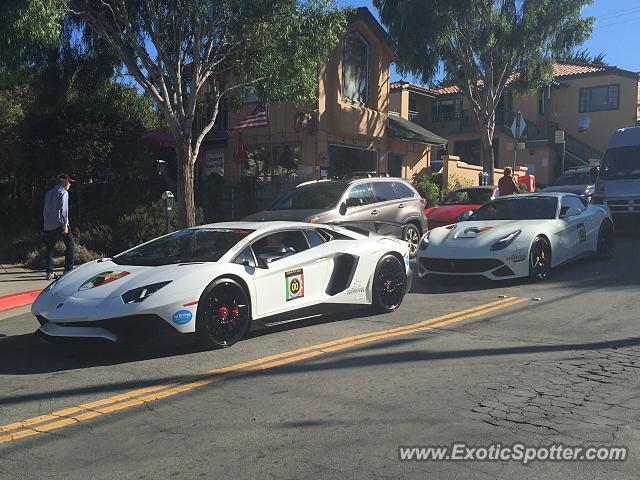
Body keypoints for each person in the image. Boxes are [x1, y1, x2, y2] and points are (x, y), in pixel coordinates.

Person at [43, 173, 76, 280]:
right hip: (60, 223)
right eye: (70, 182)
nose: (70, 185)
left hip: (49, 224)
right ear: (64, 183)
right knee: (70, 245)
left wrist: (46, 223)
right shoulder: (63, 193)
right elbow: (64, 210)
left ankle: (49, 272)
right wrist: (65, 225)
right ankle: (68, 269)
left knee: (50, 248)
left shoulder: (48, 193)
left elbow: (46, 210)